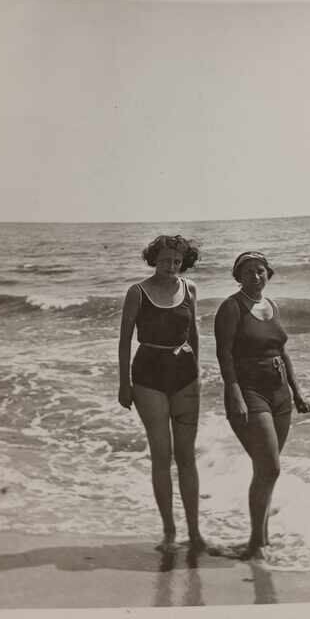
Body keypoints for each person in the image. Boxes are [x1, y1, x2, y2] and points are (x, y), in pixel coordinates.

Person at [214, 250, 310, 559]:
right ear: (238, 276)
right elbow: (224, 354)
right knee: (270, 467)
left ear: (268, 274)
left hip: (280, 393)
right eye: (249, 271)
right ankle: (256, 544)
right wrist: (234, 393)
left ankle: (262, 539)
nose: (256, 276)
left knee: (266, 470)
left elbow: (283, 353)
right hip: (249, 393)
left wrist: (297, 393)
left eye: (260, 271)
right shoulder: (231, 308)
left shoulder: (273, 306)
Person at [118, 233, 206, 554]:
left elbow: (194, 333)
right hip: (148, 375)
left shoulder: (190, 290)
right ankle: (169, 531)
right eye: (166, 260)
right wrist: (123, 383)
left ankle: (195, 533)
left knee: (187, 457)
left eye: (178, 262)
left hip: (184, 375)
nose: (171, 266)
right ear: (154, 258)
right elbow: (125, 340)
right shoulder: (137, 292)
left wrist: (198, 371)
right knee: (161, 456)